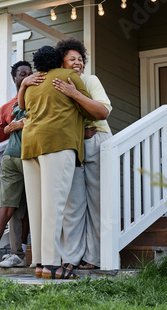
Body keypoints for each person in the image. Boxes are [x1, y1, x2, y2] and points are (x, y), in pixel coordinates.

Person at [18, 46, 95, 279]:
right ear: (60, 61)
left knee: (38, 208)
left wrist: (23, 85)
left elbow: (22, 108)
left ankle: (41, 263)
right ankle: (52, 266)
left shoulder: (32, 83)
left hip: (30, 146)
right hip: (57, 144)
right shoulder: (68, 76)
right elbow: (92, 111)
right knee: (54, 206)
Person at [0, 61, 44, 271]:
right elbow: (0, 135)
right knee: (11, 207)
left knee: (30, 208)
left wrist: (24, 123)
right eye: (22, 74)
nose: (26, 76)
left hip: (35, 156)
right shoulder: (7, 107)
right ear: (14, 78)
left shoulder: (39, 97)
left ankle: (24, 251)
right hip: (12, 157)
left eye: (29, 73)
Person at [53, 37, 112, 270]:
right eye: (72, 59)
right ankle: (70, 258)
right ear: (62, 62)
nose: (77, 63)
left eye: (80, 59)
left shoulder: (90, 80)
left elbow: (102, 112)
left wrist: (75, 92)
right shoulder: (55, 84)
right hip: (72, 145)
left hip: (97, 141)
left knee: (97, 203)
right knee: (73, 204)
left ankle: (95, 258)